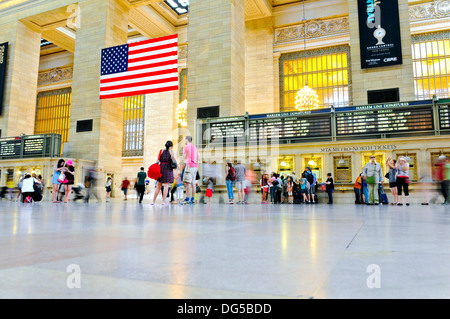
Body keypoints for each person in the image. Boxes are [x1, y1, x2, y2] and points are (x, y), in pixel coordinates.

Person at [152, 141, 176, 206]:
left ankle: (153, 201)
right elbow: (174, 161)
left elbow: (157, 161)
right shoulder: (171, 152)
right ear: (171, 146)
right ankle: (163, 201)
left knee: (158, 186)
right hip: (168, 169)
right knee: (166, 186)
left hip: (161, 168)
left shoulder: (161, 151)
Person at [182, 136, 199, 205]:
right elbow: (198, 157)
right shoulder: (195, 148)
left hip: (189, 165)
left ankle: (187, 199)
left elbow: (184, 156)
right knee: (193, 183)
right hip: (195, 166)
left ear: (186, 140)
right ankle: (192, 199)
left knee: (188, 183)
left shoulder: (186, 146)